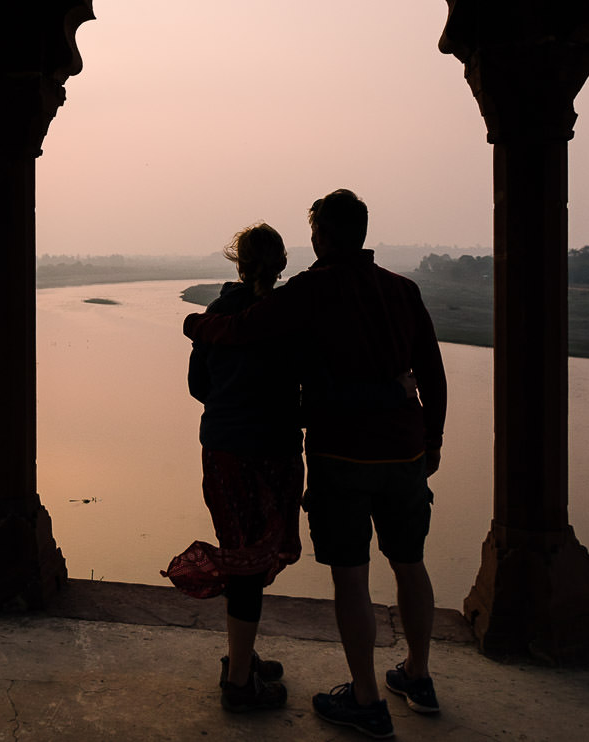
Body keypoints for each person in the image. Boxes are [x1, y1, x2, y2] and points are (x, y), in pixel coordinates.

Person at [183, 189, 447, 740]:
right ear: (364, 232)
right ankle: (418, 678)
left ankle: (368, 699)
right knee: (410, 562)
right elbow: (433, 373)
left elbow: (244, 330)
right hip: (404, 452)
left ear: (319, 237)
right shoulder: (404, 290)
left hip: (340, 454)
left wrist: (198, 326)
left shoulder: (311, 291)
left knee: (352, 579)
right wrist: (433, 441)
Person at [161, 222, 301, 713]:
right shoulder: (286, 316)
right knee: (250, 562)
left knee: (243, 556)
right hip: (273, 449)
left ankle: (241, 659)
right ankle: (240, 683)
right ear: (282, 265)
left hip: (224, 449)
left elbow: (199, 387)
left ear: (237, 264)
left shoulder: (217, 315)